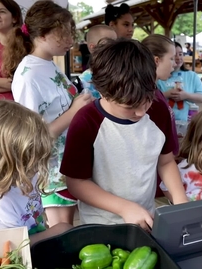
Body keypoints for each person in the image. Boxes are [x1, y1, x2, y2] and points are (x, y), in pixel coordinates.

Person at [60, 39, 189, 230]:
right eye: (130, 107)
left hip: (147, 219)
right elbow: (76, 182)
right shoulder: (86, 121)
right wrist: (125, 208)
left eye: (146, 100)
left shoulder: (159, 108)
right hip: (101, 225)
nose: (141, 112)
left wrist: (181, 201)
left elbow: (166, 161)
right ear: (103, 93)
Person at [5, 0, 92, 227]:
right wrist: (74, 111)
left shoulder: (48, 64)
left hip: (66, 163)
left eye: (70, 33)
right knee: (61, 232)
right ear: (42, 35)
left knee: (68, 229)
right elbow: (32, 138)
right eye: (62, 34)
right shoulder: (28, 75)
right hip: (51, 170)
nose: (70, 41)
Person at [0, 101, 72, 246]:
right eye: (33, 160)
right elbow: (12, 250)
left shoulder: (19, 174)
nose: (38, 167)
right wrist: (58, 231)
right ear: (8, 162)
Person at [141, 34, 182, 197]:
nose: (174, 64)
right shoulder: (149, 98)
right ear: (156, 60)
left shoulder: (154, 90)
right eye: (171, 59)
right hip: (156, 179)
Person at [157, 41, 202, 121]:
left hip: (185, 121)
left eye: (180, 54)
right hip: (163, 120)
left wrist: (186, 96)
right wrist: (167, 94)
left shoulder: (192, 76)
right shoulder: (160, 76)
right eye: (174, 55)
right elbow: (151, 99)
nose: (178, 58)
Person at [79, 25, 117, 99]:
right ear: (92, 47)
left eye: (116, 43)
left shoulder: (122, 72)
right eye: (109, 44)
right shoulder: (84, 81)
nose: (114, 48)